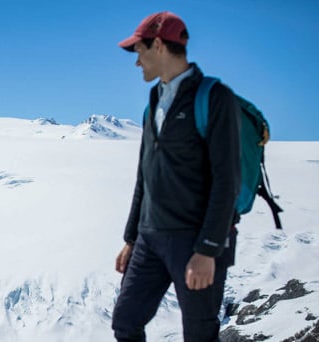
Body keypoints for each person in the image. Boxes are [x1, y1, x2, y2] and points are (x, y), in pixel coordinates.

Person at [111, 11, 241, 342]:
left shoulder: (214, 97)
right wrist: (131, 239)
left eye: (139, 51)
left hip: (194, 240)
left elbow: (228, 179)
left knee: (199, 334)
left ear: (158, 45)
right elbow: (145, 175)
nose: (137, 62)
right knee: (125, 322)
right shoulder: (154, 99)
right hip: (150, 237)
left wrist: (208, 250)